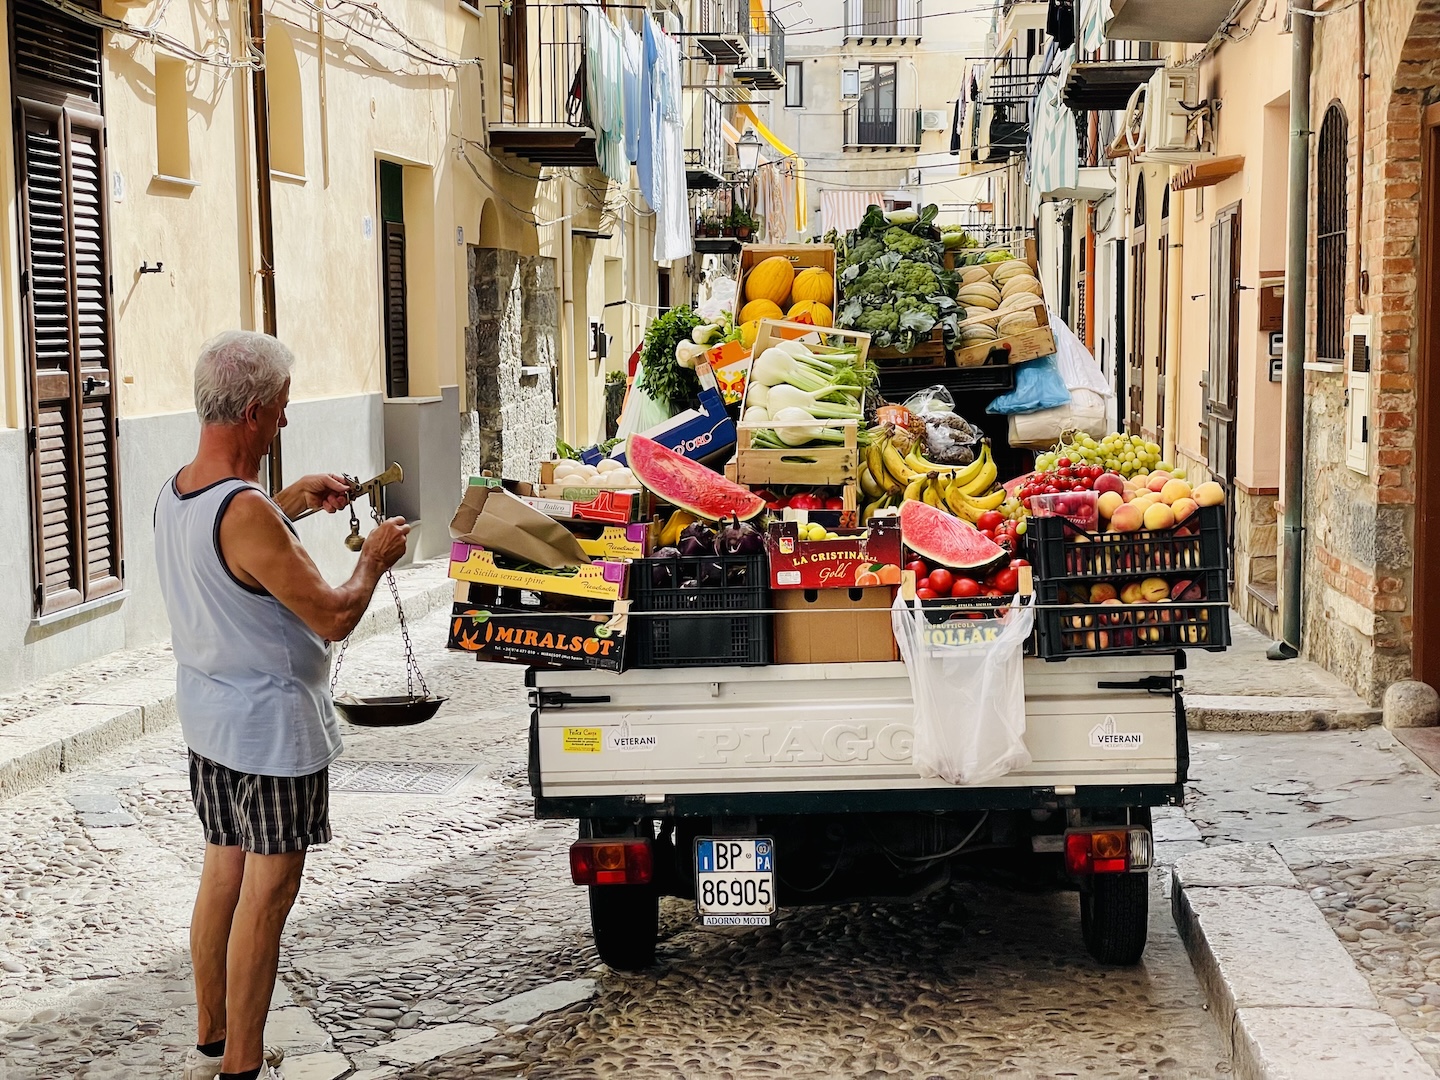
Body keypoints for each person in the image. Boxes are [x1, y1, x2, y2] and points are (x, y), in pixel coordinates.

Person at [155, 331, 410, 1080]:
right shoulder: (248, 514)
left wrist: (294, 495)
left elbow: (237, 543)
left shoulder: (178, 491)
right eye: (283, 412)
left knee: (223, 874)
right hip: (270, 734)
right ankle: (243, 1061)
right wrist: (371, 561)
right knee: (267, 894)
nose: (286, 425)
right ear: (256, 412)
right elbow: (332, 616)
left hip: (209, 723)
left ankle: (211, 1030)